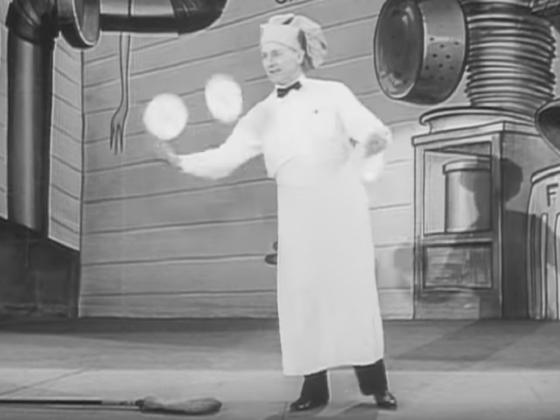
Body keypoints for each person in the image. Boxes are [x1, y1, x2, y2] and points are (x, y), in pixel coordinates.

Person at [154, 13, 397, 412]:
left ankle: (376, 386)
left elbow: (371, 129)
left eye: (277, 53)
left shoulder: (333, 94)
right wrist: (181, 162)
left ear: (300, 54)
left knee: (353, 296)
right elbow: (226, 157)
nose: (269, 62)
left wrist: (373, 142)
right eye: (265, 54)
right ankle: (314, 389)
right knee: (303, 298)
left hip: (342, 208)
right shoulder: (262, 114)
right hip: (297, 214)